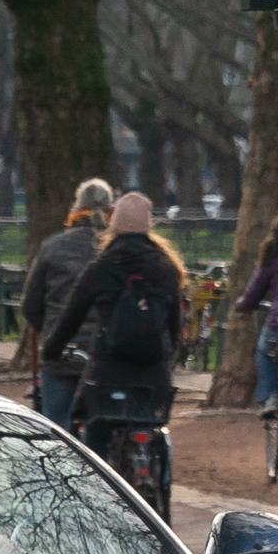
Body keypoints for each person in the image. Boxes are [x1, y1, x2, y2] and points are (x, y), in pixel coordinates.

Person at [38, 190, 183, 465]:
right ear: (148, 227)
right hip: (153, 375)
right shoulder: (166, 269)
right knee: (155, 434)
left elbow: (69, 319)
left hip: (108, 374)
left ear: (113, 226)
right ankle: (159, 486)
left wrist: (51, 351)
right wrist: (169, 355)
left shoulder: (100, 268)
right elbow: (174, 323)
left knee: (96, 441)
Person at [21, 177, 113, 429]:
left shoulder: (52, 247)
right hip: (104, 352)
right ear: (111, 211)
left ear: (75, 208)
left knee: (57, 427)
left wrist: (50, 329)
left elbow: (31, 304)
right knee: (101, 427)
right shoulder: (114, 248)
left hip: (61, 351)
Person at [233, 212, 278, 412]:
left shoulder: (272, 258)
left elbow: (253, 294)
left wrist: (242, 305)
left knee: (265, 351)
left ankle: (271, 395)